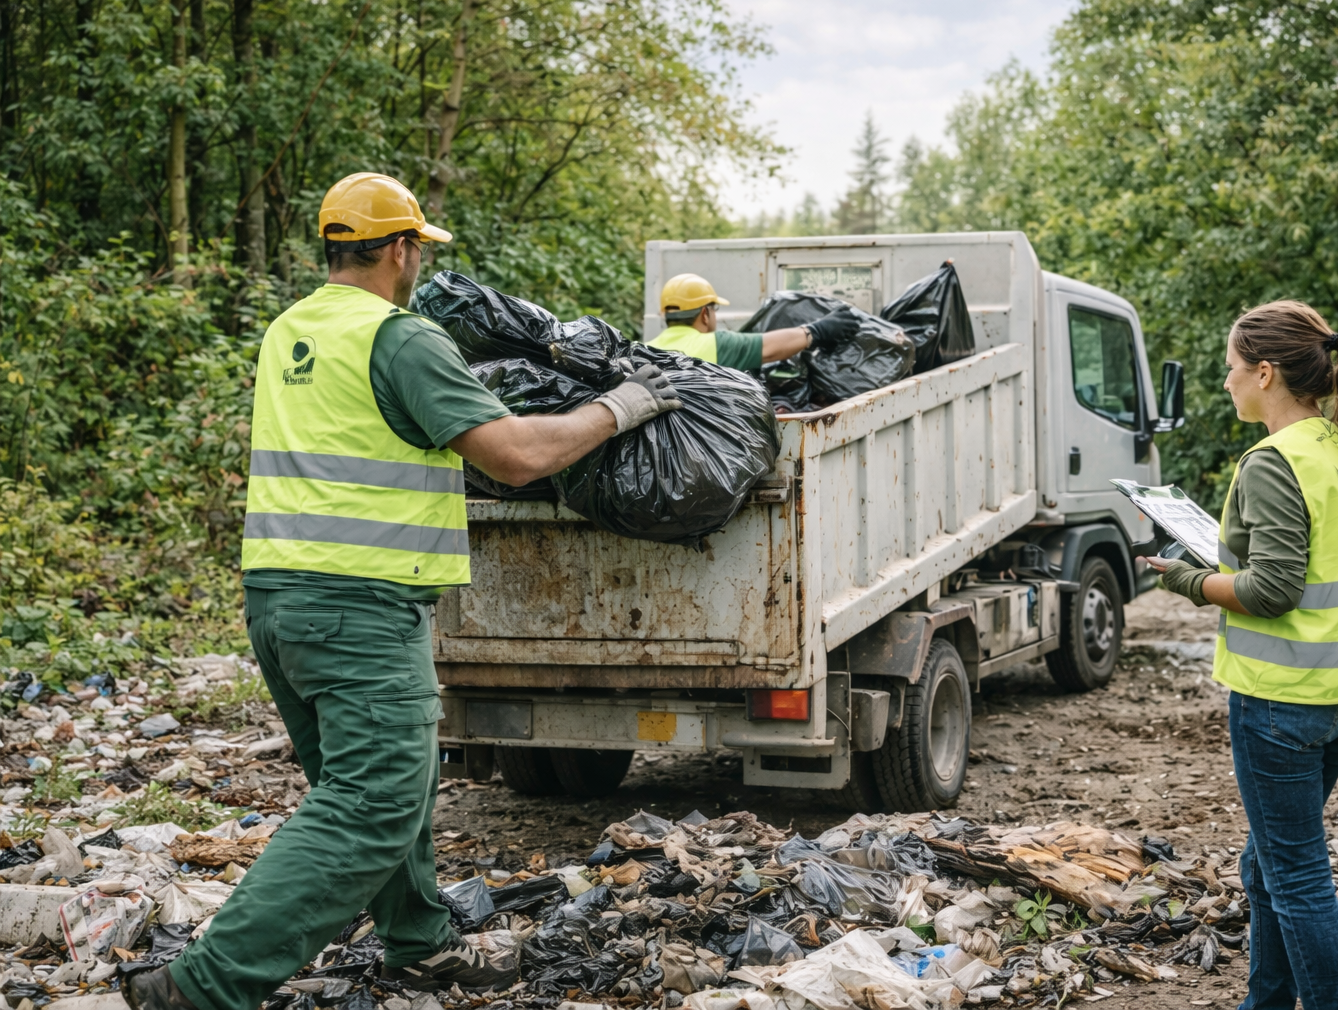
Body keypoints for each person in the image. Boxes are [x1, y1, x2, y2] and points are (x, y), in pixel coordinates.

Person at [124, 172, 682, 1010]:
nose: (418, 259)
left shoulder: (289, 330)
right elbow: (516, 457)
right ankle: (202, 987)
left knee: (392, 787)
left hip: (281, 603)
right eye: (417, 246)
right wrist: (620, 408)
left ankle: (420, 944)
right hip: (359, 609)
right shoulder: (401, 339)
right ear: (398, 249)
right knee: (373, 802)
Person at [1141, 300, 1338, 1010]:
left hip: (1284, 700)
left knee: (1295, 875)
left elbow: (1273, 590)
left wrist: (1187, 579)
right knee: (1267, 865)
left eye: (1231, 368)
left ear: (1264, 373)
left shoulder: (1273, 461)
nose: (1225, 381)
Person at [649, 272, 860, 369]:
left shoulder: (644, 349)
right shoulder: (716, 344)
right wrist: (817, 330)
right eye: (714, 309)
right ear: (705, 314)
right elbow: (768, 348)